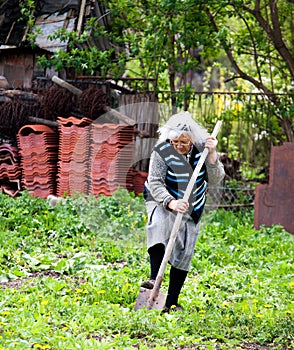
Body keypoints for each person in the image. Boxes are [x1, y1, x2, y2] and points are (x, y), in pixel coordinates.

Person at [142, 111, 225, 312]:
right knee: (160, 225)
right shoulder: (162, 150)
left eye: (184, 142)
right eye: (175, 141)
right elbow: (154, 182)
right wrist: (170, 202)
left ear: (192, 140)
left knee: (185, 249)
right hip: (161, 197)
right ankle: (154, 279)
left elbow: (215, 179)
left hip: (192, 203)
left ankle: (171, 301)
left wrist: (212, 155)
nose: (179, 146)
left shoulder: (202, 151)